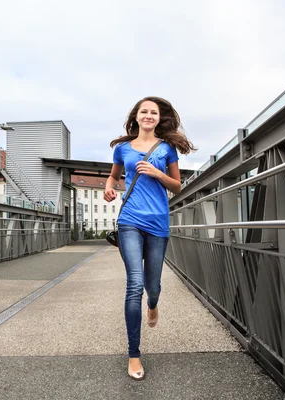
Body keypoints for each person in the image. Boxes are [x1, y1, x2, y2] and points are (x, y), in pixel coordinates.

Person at [104, 96, 196, 381]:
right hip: (130, 220)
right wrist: (109, 190)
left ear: (158, 118)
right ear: (136, 117)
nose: (148, 115)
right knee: (134, 284)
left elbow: (178, 186)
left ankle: (153, 305)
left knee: (151, 287)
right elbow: (113, 178)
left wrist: (157, 173)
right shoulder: (122, 149)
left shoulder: (167, 149)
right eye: (143, 111)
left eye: (153, 112)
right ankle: (134, 354)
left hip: (158, 222)